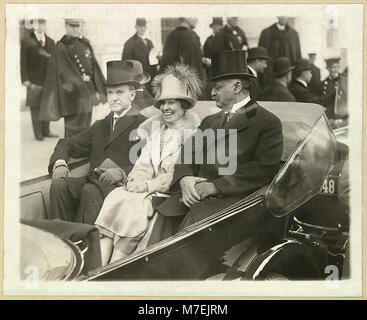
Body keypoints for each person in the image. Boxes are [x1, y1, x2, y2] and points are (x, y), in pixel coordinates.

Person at [148, 50, 283, 245]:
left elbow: (263, 169)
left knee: (183, 239)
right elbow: (187, 153)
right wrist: (184, 179)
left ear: (237, 86)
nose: (211, 93)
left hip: (236, 204)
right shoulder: (210, 121)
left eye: (217, 88)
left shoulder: (267, 122)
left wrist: (215, 186)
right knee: (161, 218)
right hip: (195, 198)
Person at [95, 63, 202, 265]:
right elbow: (143, 163)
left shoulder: (192, 134)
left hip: (168, 193)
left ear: (184, 104)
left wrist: (145, 186)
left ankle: (114, 266)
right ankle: (99, 264)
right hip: (147, 190)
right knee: (116, 195)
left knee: (136, 206)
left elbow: (174, 174)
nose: (165, 108)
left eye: (171, 103)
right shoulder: (156, 130)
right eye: (162, 103)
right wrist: (135, 180)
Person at [47, 60, 146, 225]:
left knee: (89, 190)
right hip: (93, 182)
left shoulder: (143, 125)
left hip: (121, 188)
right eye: (110, 93)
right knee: (59, 186)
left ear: (132, 94)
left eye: (120, 92)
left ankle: (88, 243)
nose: (113, 98)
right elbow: (66, 144)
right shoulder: (100, 125)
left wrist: (123, 172)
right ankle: (63, 239)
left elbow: (151, 164)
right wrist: (60, 163)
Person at [39, 18, 107, 138]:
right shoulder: (61, 46)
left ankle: (82, 154)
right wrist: (82, 83)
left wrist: (100, 88)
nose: (76, 29)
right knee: (73, 129)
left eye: (78, 26)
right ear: (66, 27)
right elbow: (65, 72)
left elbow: (94, 67)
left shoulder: (85, 43)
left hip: (88, 92)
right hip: (72, 94)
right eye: (72, 26)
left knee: (86, 126)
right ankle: (71, 154)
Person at [20, 18, 57, 141]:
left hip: (48, 80)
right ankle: (38, 133)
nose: (41, 26)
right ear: (34, 26)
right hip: (33, 80)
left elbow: (55, 62)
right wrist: (25, 79)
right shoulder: (27, 42)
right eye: (38, 24)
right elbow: (23, 62)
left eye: (43, 24)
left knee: (47, 105)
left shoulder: (51, 42)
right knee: (35, 106)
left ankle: (46, 131)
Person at [258, 16, 301, 89]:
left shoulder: (294, 34)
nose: (283, 17)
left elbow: (297, 56)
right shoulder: (266, 33)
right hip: (270, 77)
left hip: (288, 78)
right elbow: (261, 57)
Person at [122, 18, 157, 92]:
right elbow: (126, 64)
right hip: (138, 81)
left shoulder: (149, 42)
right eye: (140, 26)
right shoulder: (130, 43)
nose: (142, 28)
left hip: (151, 80)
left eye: (144, 26)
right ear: (136, 27)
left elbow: (153, 59)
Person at [202, 17, 224, 99]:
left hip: (222, 69)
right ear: (213, 27)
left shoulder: (224, 39)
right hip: (210, 71)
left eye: (219, 26)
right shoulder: (209, 40)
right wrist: (204, 60)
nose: (218, 28)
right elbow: (204, 53)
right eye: (216, 26)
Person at [321, 56, 346, 122]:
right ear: (327, 68)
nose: (332, 70)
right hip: (329, 114)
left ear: (338, 67)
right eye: (330, 67)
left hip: (341, 114)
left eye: (334, 67)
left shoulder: (344, 80)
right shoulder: (324, 82)